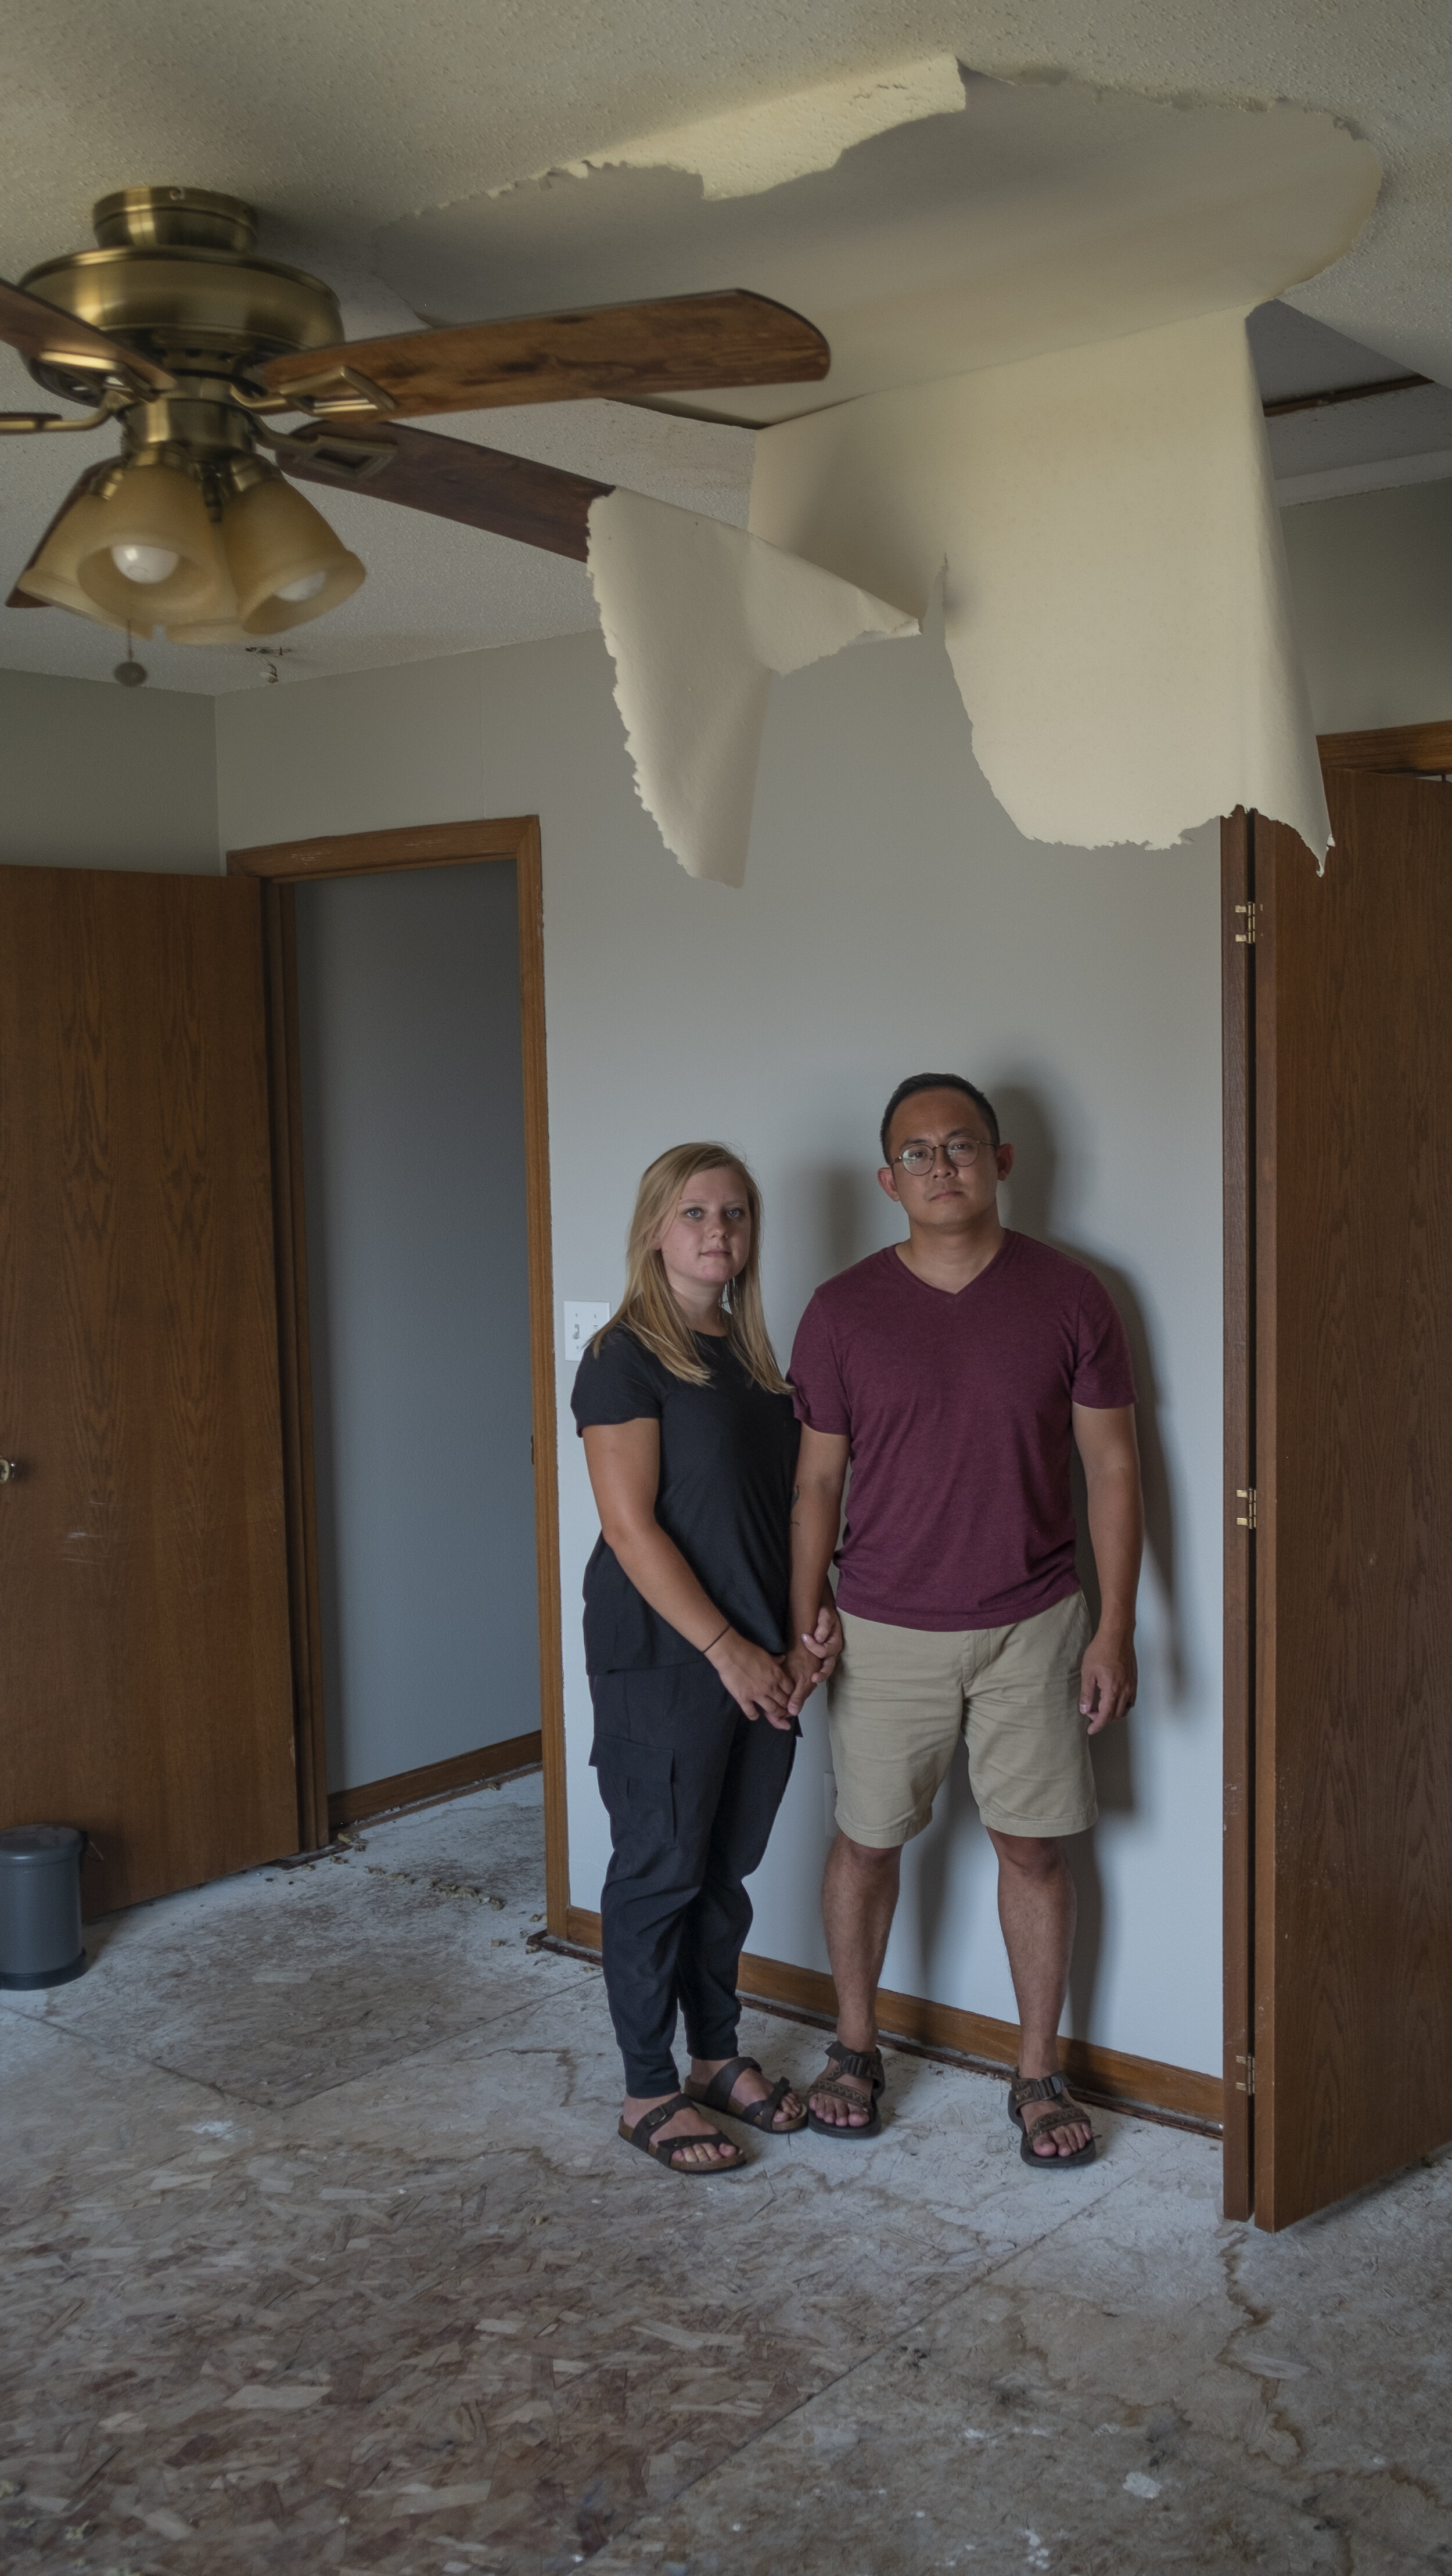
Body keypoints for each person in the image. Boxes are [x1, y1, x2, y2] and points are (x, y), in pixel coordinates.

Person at [788, 1075, 1142, 2166]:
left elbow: (1114, 1466)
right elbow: (816, 1483)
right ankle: (855, 2047)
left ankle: (1037, 2071)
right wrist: (804, 1607)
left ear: (1002, 1161)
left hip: (1035, 1621)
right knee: (867, 1842)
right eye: (920, 1153)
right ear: (890, 1180)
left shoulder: (1072, 1296)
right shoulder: (842, 1310)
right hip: (884, 1623)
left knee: (1031, 1848)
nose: (944, 1168)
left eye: (962, 1146)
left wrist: (1115, 1628)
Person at [573, 1142, 842, 2175]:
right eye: (694, 1214)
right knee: (660, 1870)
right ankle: (647, 2088)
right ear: (655, 1230)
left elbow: (793, 1508)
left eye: (734, 1214)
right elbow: (632, 1529)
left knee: (724, 1869)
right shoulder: (623, 1358)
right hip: (670, 1656)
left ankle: (714, 2058)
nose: (717, 1231)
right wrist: (729, 1649)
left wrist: (815, 1620)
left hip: (766, 1654)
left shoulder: (757, 1359)